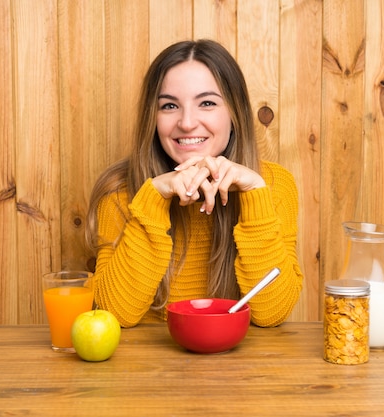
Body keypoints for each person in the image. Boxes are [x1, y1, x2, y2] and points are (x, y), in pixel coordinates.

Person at [84, 39, 303, 328]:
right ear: (153, 117)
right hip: (147, 367)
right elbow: (115, 314)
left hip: (241, 366)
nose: (187, 123)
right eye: (170, 105)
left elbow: (273, 313)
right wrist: (154, 198)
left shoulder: (274, 185)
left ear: (234, 114)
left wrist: (254, 196)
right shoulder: (119, 191)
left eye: (207, 103)